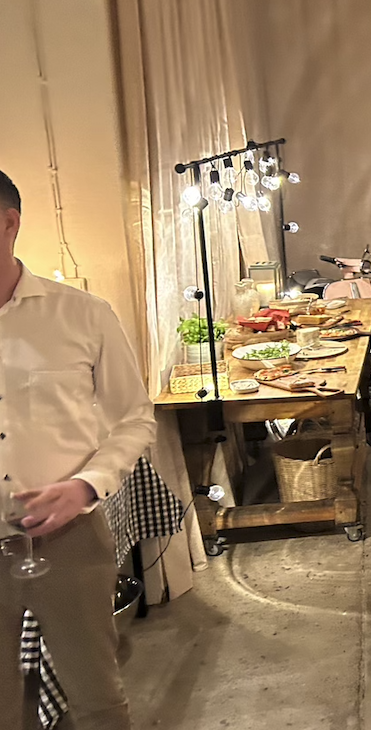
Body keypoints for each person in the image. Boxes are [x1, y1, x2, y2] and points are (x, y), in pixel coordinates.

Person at [0, 169, 157, 729]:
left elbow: (135, 418)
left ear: (9, 223)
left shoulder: (83, 315)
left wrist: (85, 486)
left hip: (68, 538)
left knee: (96, 696)